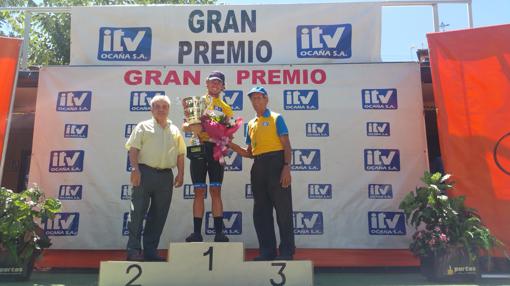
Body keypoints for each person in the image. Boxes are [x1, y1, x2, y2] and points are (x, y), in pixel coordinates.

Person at [229, 86, 295, 260]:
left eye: (260, 98)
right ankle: (267, 251)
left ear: (266, 100)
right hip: (258, 166)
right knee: (261, 212)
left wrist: (286, 166)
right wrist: (230, 144)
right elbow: (249, 152)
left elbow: (286, 145)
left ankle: (287, 251)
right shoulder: (250, 124)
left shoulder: (276, 118)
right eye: (253, 98)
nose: (256, 101)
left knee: (283, 211)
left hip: (277, 163)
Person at [125, 95, 185, 261]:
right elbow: (133, 149)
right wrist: (135, 169)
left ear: (168, 109)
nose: (161, 109)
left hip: (166, 176)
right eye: (157, 106)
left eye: (164, 106)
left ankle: (151, 251)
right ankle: (133, 250)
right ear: (151, 109)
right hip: (144, 173)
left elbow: (181, 154)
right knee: (137, 212)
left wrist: (181, 173)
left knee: (159, 216)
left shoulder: (175, 130)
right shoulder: (142, 127)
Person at [182, 71, 233, 242]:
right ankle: (197, 233)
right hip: (198, 147)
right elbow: (185, 125)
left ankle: (219, 233)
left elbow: (229, 133)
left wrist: (222, 132)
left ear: (223, 86)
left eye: (218, 82)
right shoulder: (197, 102)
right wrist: (194, 128)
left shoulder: (226, 108)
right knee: (198, 191)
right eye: (212, 82)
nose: (215, 85)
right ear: (206, 84)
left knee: (216, 190)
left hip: (216, 149)